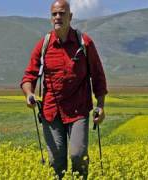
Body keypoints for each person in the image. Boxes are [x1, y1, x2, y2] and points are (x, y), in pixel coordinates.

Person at [20, 0, 107, 179]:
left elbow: (98, 76)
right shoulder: (44, 44)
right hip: (51, 111)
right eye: (54, 14)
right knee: (56, 163)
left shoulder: (85, 43)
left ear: (70, 16)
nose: (58, 17)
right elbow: (29, 76)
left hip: (79, 110)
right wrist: (29, 94)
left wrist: (101, 106)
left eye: (62, 13)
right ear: (51, 18)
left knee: (78, 155)